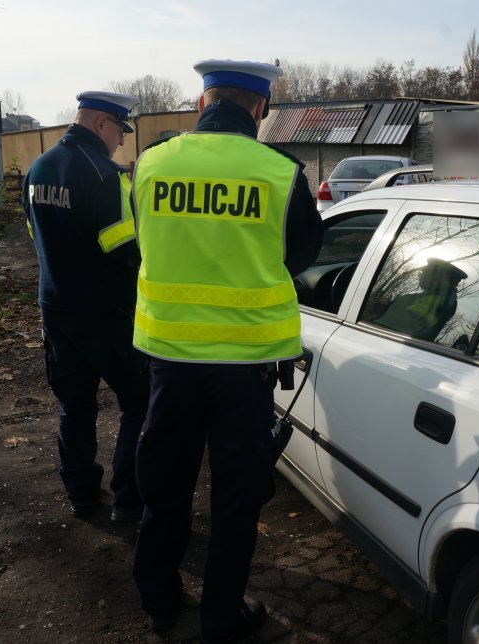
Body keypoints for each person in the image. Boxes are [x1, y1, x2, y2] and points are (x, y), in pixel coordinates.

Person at [129, 60, 323, 642]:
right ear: (261, 109)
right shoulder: (281, 172)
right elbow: (301, 256)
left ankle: (160, 600)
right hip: (245, 369)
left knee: (164, 487)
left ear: (201, 101)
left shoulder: (149, 162)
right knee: (236, 498)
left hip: (169, 361)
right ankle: (221, 616)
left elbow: (147, 239)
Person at [22, 90, 148, 523]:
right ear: (100, 124)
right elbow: (126, 250)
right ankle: (129, 501)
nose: (120, 143)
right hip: (105, 314)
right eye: (119, 131)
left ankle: (81, 494)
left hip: (55, 309)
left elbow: (36, 234)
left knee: (74, 405)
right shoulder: (104, 174)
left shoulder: (38, 168)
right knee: (139, 400)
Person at [375, 257, 468, 341]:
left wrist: (375, 309)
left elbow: (397, 322)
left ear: (438, 278)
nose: (419, 275)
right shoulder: (439, 301)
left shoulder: (437, 302)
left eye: (424, 272)